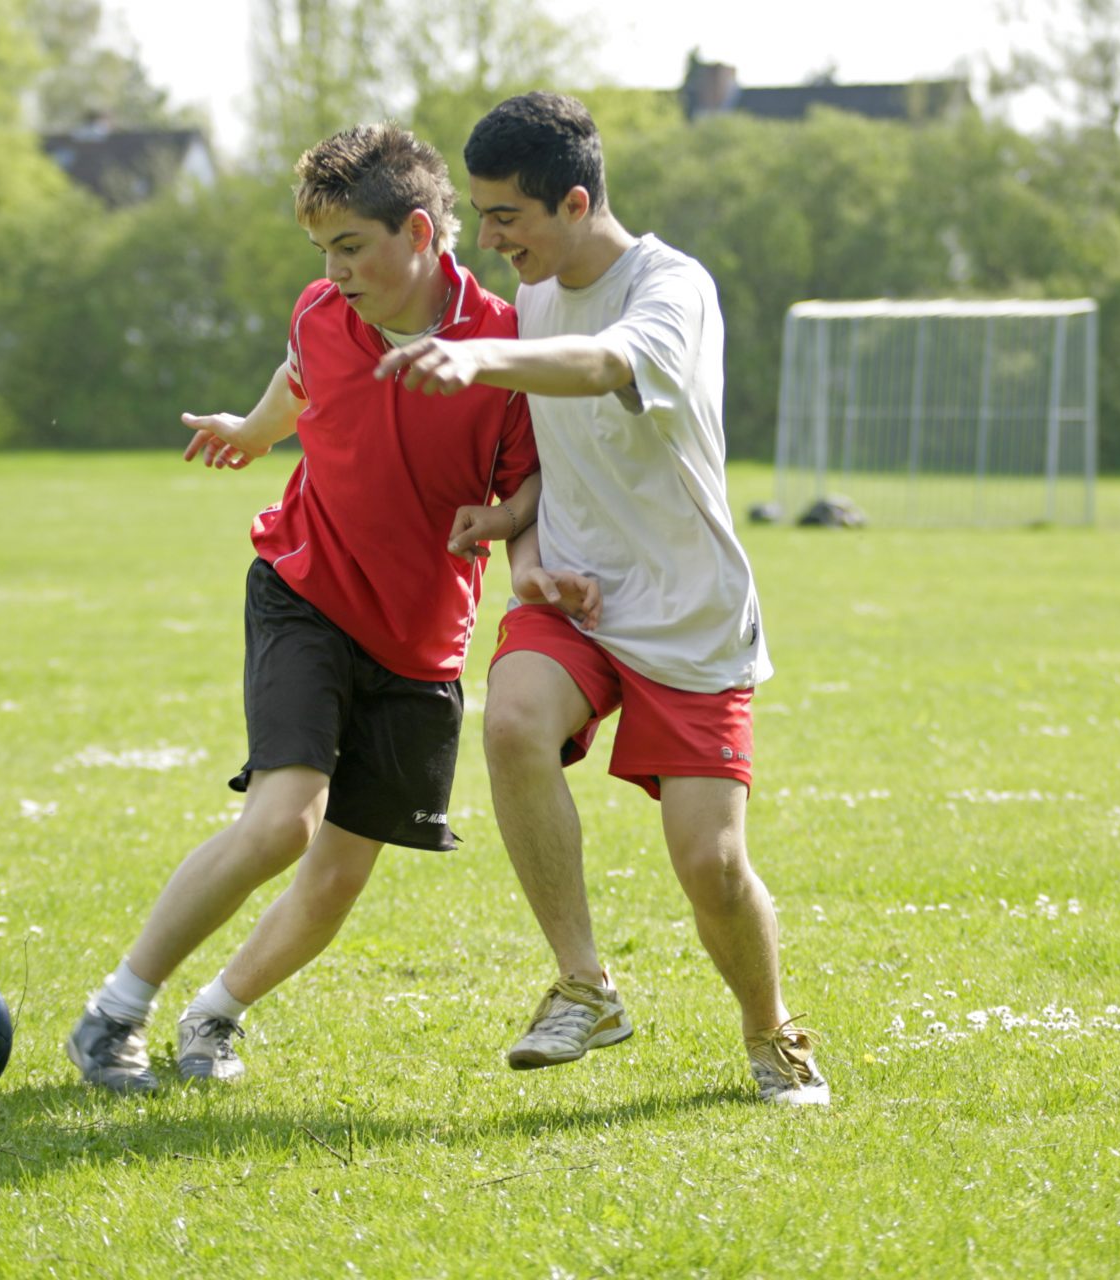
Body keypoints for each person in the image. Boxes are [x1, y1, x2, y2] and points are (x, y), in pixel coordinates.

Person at [66, 123, 540, 1093]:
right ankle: (114, 1013)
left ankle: (216, 1017)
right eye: (321, 250)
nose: (333, 271)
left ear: (418, 231)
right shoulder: (326, 310)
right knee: (283, 822)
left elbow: (537, 482)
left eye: (349, 247)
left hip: (421, 643)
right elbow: (301, 376)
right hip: (306, 590)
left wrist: (506, 521)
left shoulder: (508, 346)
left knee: (338, 873)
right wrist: (251, 431)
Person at [377, 92, 829, 1105]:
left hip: (688, 611)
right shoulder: (532, 288)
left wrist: (482, 356)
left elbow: (605, 367)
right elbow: (551, 449)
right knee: (514, 723)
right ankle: (586, 983)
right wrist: (517, 530)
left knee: (710, 864)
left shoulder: (672, 288)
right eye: (483, 216)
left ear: (575, 203)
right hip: (576, 592)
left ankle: (771, 1031)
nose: (492, 241)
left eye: (508, 217)